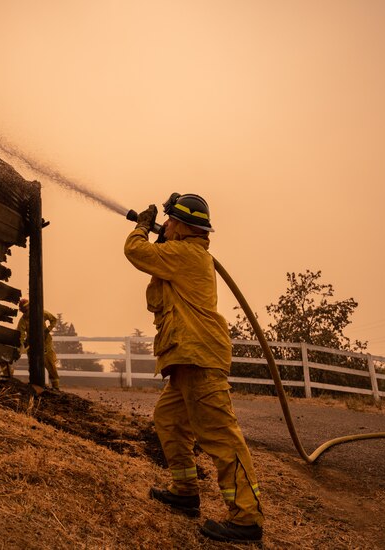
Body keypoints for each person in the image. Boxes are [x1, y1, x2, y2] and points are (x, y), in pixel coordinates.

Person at [124, 193, 265, 543]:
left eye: (170, 220)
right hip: (186, 356)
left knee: (219, 435)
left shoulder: (187, 254)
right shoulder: (179, 256)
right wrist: (160, 239)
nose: (166, 224)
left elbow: (134, 252)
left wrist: (142, 226)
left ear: (184, 226)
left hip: (199, 355)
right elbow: (155, 298)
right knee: (169, 421)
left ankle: (246, 519)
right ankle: (185, 491)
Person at [17, 298, 61, 390]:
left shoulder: (41, 313)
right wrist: (22, 344)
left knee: (48, 361)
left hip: (45, 341)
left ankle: (55, 386)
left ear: (30, 307)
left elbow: (54, 320)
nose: (26, 313)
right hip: (31, 343)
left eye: (27, 310)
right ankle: (34, 384)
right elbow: (20, 334)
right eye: (24, 311)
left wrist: (47, 330)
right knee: (32, 362)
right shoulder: (23, 320)